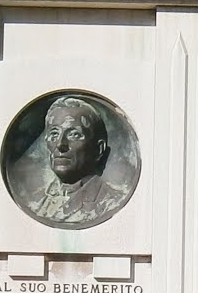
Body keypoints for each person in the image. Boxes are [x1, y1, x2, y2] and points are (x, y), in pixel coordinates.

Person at [29, 95, 131, 225]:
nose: (60, 144)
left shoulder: (109, 201)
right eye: (54, 134)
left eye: (74, 134)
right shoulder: (37, 201)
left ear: (99, 149)